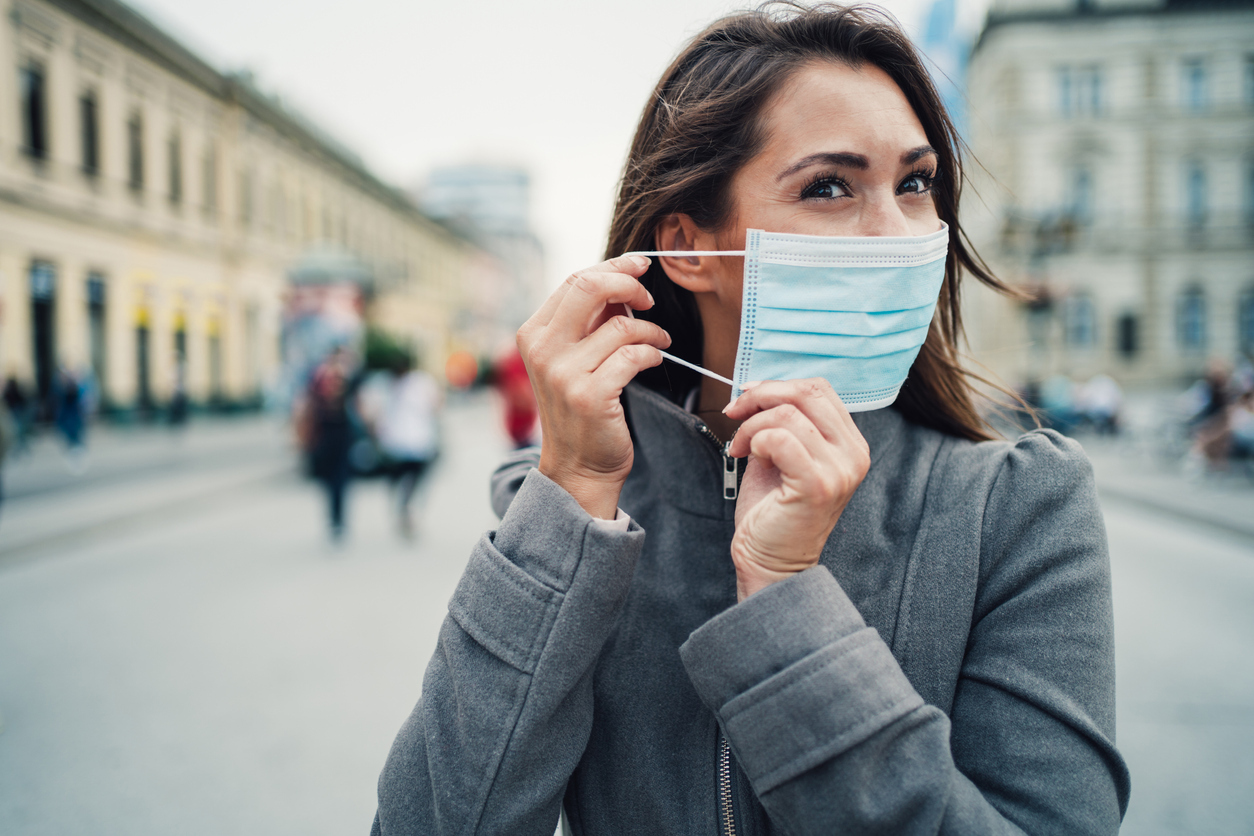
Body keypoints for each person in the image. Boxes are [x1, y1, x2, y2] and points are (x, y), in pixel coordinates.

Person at [373, 5, 1129, 834]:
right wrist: (572, 493)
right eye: (831, 187)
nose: (897, 234)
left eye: (915, 182)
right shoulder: (560, 507)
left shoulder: (1019, 507)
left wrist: (787, 598)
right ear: (690, 249)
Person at [375, 353, 441, 538]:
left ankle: (404, 511)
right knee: (413, 482)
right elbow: (436, 405)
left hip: (399, 443)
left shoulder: (386, 384)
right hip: (415, 442)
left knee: (403, 482)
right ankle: (406, 511)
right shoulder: (421, 382)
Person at [304, 348, 357, 541]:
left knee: (334, 481)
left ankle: (336, 520)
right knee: (337, 480)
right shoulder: (343, 377)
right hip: (333, 434)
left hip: (329, 434)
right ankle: (337, 521)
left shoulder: (318, 377)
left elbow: (306, 404)